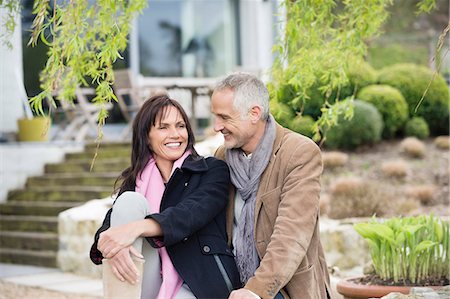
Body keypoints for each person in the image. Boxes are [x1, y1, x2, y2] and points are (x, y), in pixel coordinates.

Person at [90, 95, 241, 299]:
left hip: (196, 282)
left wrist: (135, 229)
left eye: (180, 126)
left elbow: (189, 214)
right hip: (146, 279)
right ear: (147, 136)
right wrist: (113, 246)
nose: (175, 134)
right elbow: (107, 231)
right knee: (129, 202)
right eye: (163, 127)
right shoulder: (137, 181)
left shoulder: (211, 170)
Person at [211, 73, 331, 299]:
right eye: (215, 117)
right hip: (233, 284)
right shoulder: (222, 157)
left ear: (254, 113)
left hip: (282, 288)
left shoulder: (299, 153)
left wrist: (255, 291)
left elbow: (291, 235)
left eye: (225, 118)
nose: (217, 126)